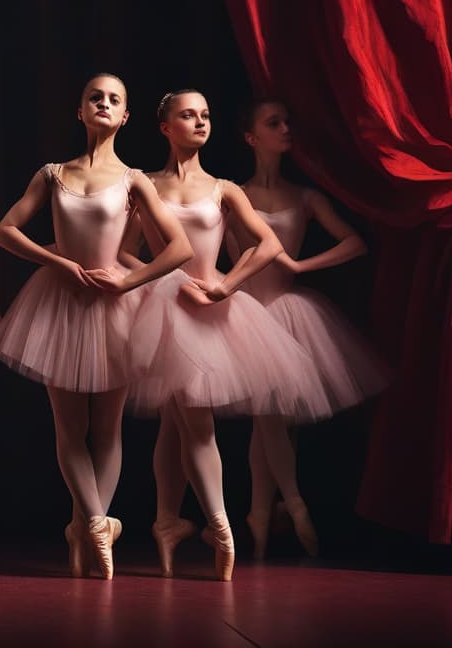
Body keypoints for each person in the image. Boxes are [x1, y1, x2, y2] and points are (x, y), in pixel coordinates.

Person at [0, 73, 193, 579]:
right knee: (70, 427)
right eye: (94, 97)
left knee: (107, 427)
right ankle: (99, 524)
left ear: (124, 117)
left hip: (115, 307)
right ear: (80, 112)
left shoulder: (135, 180)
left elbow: (180, 248)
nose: (103, 103)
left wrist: (129, 282)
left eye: (114, 99)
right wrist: (56, 263)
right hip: (59, 305)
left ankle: (86, 529)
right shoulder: (53, 174)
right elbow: (4, 232)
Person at [122, 89, 332, 581]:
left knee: (188, 421)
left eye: (205, 115)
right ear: (164, 128)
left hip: (212, 311)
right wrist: (166, 278)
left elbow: (268, 244)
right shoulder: (145, 185)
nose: (199, 122)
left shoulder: (222, 189)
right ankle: (197, 523)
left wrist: (223, 286)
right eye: (188, 115)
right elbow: (125, 251)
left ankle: (179, 522)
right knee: (179, 423)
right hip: (163, 309)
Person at [227, 97, 387, 558]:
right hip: (249, 313)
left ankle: (262, 519)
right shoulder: (235, 195)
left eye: (287, 122)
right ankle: (291, 507)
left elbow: (355, 243)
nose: (286, 129)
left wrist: (301, 264)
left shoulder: (305, 196)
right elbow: (229, 256)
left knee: (269, 420)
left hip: (291, 312)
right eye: (274, 123)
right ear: (252, 137)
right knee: (268, 419)